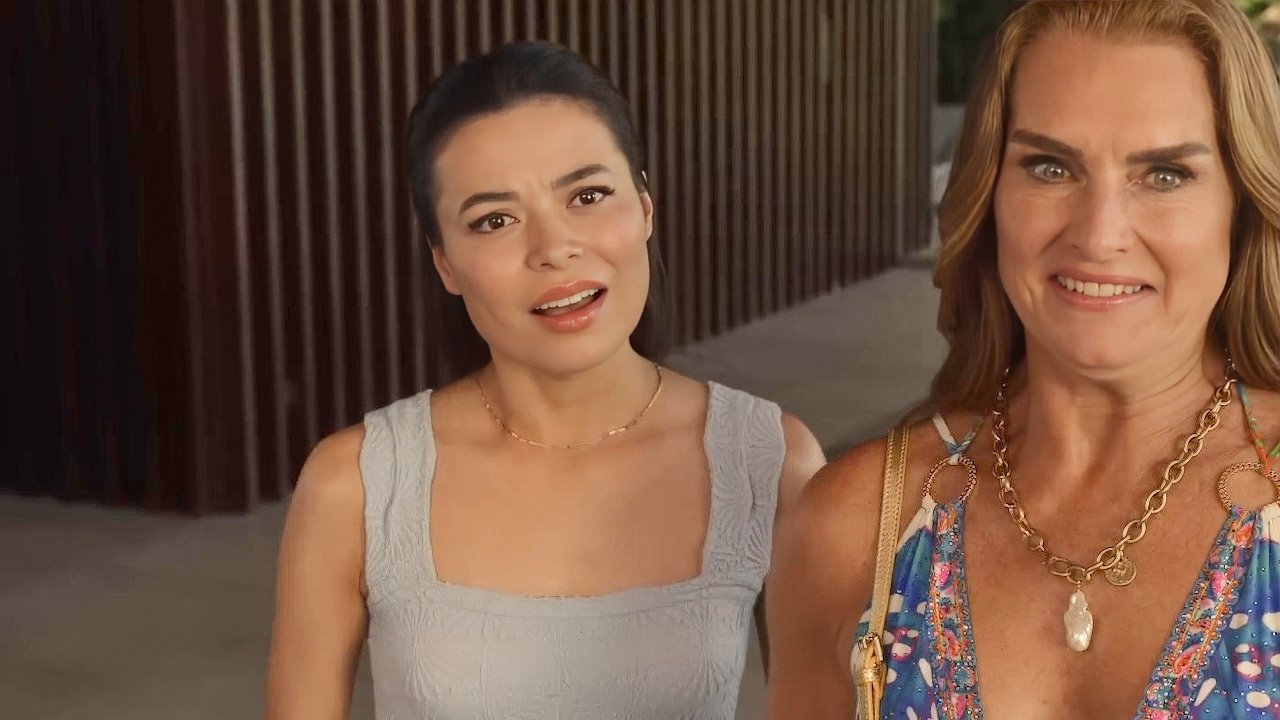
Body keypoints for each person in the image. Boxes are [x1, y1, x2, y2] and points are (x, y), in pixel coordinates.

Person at [265, 41, 824, 720]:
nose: (554, 247)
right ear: (445, 263)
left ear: (646, 208)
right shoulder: (355, 484)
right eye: (495, 220)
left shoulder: (768, 461)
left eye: (588, 195)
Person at [766, 0, 1280, 717]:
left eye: (1164, 174)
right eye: (1051, 167)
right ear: (989, 194)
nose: (1099, 235)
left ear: (1242, 203)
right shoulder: (855, 524)